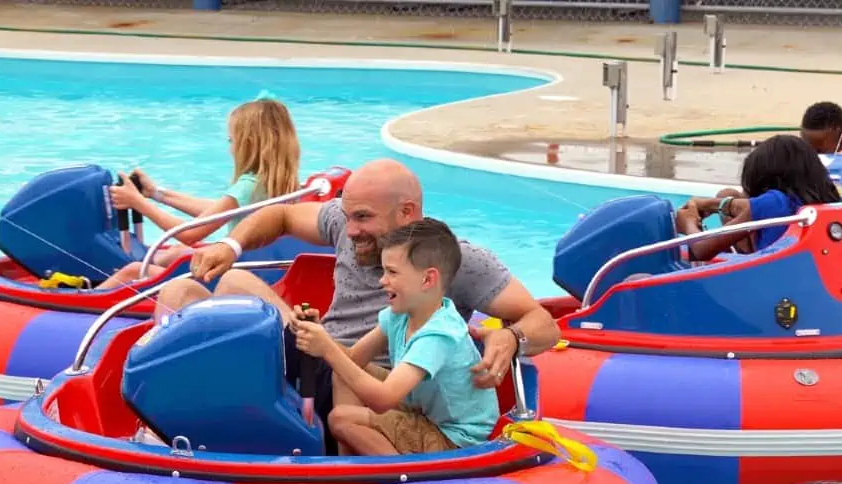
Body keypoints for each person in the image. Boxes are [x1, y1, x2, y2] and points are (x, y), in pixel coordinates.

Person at [155, 157, 560, 455]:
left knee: (233, 293)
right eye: (348, 217)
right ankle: (162, 427)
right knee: (188, 291)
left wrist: (512, 336)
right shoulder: (346, 225)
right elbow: (279, 214)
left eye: (363, 218)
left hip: (371, 386)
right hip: (324, 357)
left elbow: (543, 323)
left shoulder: (456, 260)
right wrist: (231, 244)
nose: (351, 232)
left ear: (408, 212)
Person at [292, 218, 499, 455]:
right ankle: (348, 461)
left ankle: (399, 474)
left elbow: (383, 399)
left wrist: (327, 348)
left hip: (454, 438)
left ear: (427, 279)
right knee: (344, 375)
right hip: (422, 411)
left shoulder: (438, 334)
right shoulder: (399, 315)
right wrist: (318, 335)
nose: (382, 280)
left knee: (342, 419)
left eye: (391, 272)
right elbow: (352, 359)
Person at [97, 92, 301, 289]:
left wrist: (138, 203)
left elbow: (190, 233)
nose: (230, 147)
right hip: (260, 272)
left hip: (233, 276)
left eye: (231, 140)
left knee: (132, 270)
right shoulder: (280, 184)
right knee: (175, 253)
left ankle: (81, 299)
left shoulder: (249, 185)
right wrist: (157, 193)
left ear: (247, 145)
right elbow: (218, 212)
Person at [675, 134, 841, 261]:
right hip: (811, 278)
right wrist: (711, 204)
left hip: (771, 281)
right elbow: (746, 205)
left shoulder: (773, 202)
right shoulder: (828, 200)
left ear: (766, 181)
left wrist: (688, 223)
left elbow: (701, 249)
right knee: (727, 196)